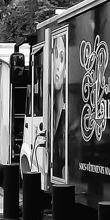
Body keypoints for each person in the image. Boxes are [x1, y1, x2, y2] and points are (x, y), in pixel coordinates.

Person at [51, 34, 67, 180]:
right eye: (55, 55)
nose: (57, 65)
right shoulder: (53, 113)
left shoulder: (67, 118)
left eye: (61, 58)